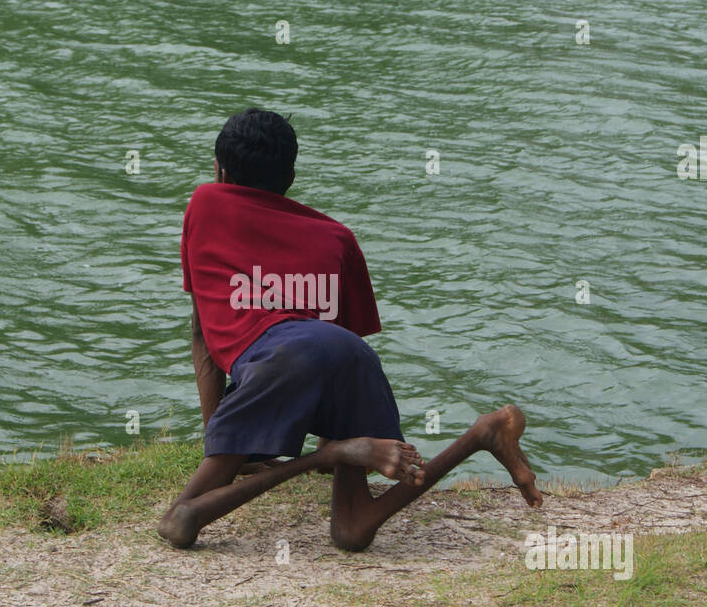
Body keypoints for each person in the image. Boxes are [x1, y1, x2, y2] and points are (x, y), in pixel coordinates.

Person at [158, 108, 542, 551]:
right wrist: (237, 441)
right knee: (352, 531)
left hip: (280, 360)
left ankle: (339, 453)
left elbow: (203, 335)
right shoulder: (337, 237)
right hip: (352, 359)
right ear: (292, 177)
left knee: (179, 522)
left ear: (219, 171)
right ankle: (482, 433)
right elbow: (335, 343)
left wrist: (241, 445)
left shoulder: (205, 203)